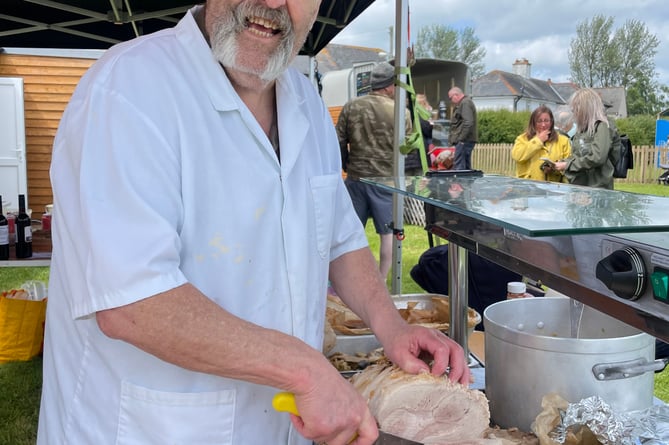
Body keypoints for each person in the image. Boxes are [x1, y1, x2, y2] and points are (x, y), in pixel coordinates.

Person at [38, 3, 470, 445]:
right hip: (149, 430)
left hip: (281, 425)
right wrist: (303, 370)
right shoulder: (128, 88)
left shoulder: (306, 103)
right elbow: (129, 303)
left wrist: (392, 326)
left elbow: (340, 239)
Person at [336, 61, 412, 280]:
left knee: (349, 233)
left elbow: (339, 140)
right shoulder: (401, 112)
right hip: (386, 182)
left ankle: (349, 278)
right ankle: (381, 279)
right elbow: (406, 147)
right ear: (389, 86)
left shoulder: (351, 106)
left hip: (356, 178)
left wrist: (346, 164)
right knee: (387, 235)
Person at [554, 88, 614, 189]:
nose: (574, 113)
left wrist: (567, 165)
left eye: (576, 109)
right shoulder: (581, 130)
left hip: (597, 188)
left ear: (586, 108)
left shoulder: (601, 126)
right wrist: (560, 163)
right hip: (580, 186)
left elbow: (597, 157)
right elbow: (578, 155)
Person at [511, 105, 571, 182]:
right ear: (533, 123)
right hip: (527, 188)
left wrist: (554, 169)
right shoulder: (522, 139)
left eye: (546, 121)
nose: (543, 125)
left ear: (551, 122)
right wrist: (538, 140)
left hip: (553, 189)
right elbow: (517, 156)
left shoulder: (563, 141)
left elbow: (568, 165)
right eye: (539, 121)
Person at [447, 86, 478, 170]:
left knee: (459, 168)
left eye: (450, 98)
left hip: (465, 141)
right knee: (465, 168)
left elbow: (468, 122)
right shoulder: (465, 102)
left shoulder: (465, 103)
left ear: (456, 95)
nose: (451, 101)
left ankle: (460, 183)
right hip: (466, 140)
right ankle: (465, 183)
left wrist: (461, 139)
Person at [404, 93, 433, 176]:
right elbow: (427, 130)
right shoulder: (418, 115)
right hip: (418, 155)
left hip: (407, 155)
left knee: (407, 183)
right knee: (420, 182)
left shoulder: (404, 113)